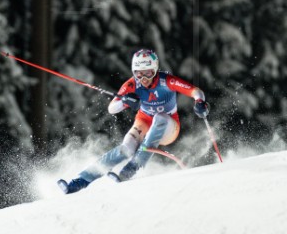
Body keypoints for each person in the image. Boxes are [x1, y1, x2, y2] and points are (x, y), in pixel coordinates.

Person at [58, 48, 210, 193]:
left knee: (160, 117)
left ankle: (131, 168)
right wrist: (126, 101)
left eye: (148, 73)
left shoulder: (166, 81)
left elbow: (195, 91)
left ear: (155, 70)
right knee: (127, 148)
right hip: (143, 122)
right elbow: (112, 108)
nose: (143, 79)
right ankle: (80, 181)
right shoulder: (132, 84)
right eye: (139, 74)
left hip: (169, 128)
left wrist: (199, 102)